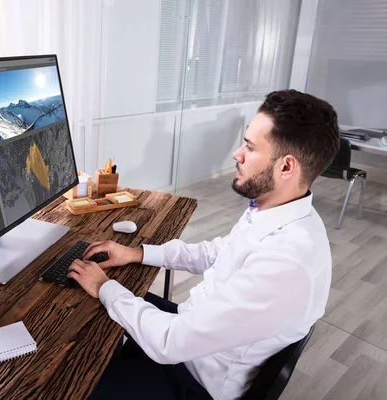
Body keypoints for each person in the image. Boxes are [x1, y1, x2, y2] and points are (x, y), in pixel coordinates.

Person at [67, 89, 340, 400]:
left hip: (190, 378)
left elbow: (169, 343)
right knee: (97, 305)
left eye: (250, 148)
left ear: (287, 167)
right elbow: (217, 252)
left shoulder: (285, 264)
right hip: (190, 332)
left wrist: (104, 287)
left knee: (68, 382)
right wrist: (137, 253)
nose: (237, 154)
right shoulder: (278, 210)